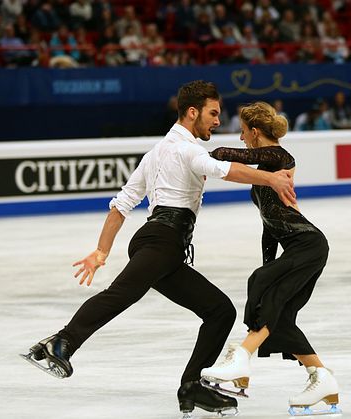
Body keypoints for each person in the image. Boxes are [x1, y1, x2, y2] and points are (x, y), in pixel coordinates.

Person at [21, 81, 297, 418]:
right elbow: (224, 169)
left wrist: (101, 251)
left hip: (163, 244)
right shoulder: (187, 150)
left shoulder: (156, 153)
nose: (216, 120)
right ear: (192, 112)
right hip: (163, 240)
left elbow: (121, 206)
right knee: (121, 294)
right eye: (212, 113)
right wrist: (272, 179)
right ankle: (62, 343)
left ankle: (191, 386)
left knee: (220, 311)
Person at [201, 102, 340, 415]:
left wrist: (200, 156)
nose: (241, 137)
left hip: (308, 243)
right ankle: (322, 378)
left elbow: (238, 156)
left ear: (253, 131)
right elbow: (269, 225)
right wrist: (269, 265)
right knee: (279, 316)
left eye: (243, 131)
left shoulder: (280, 156)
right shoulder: (263, 170)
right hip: (297, 247)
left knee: (263, 287)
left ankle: (241, 357)